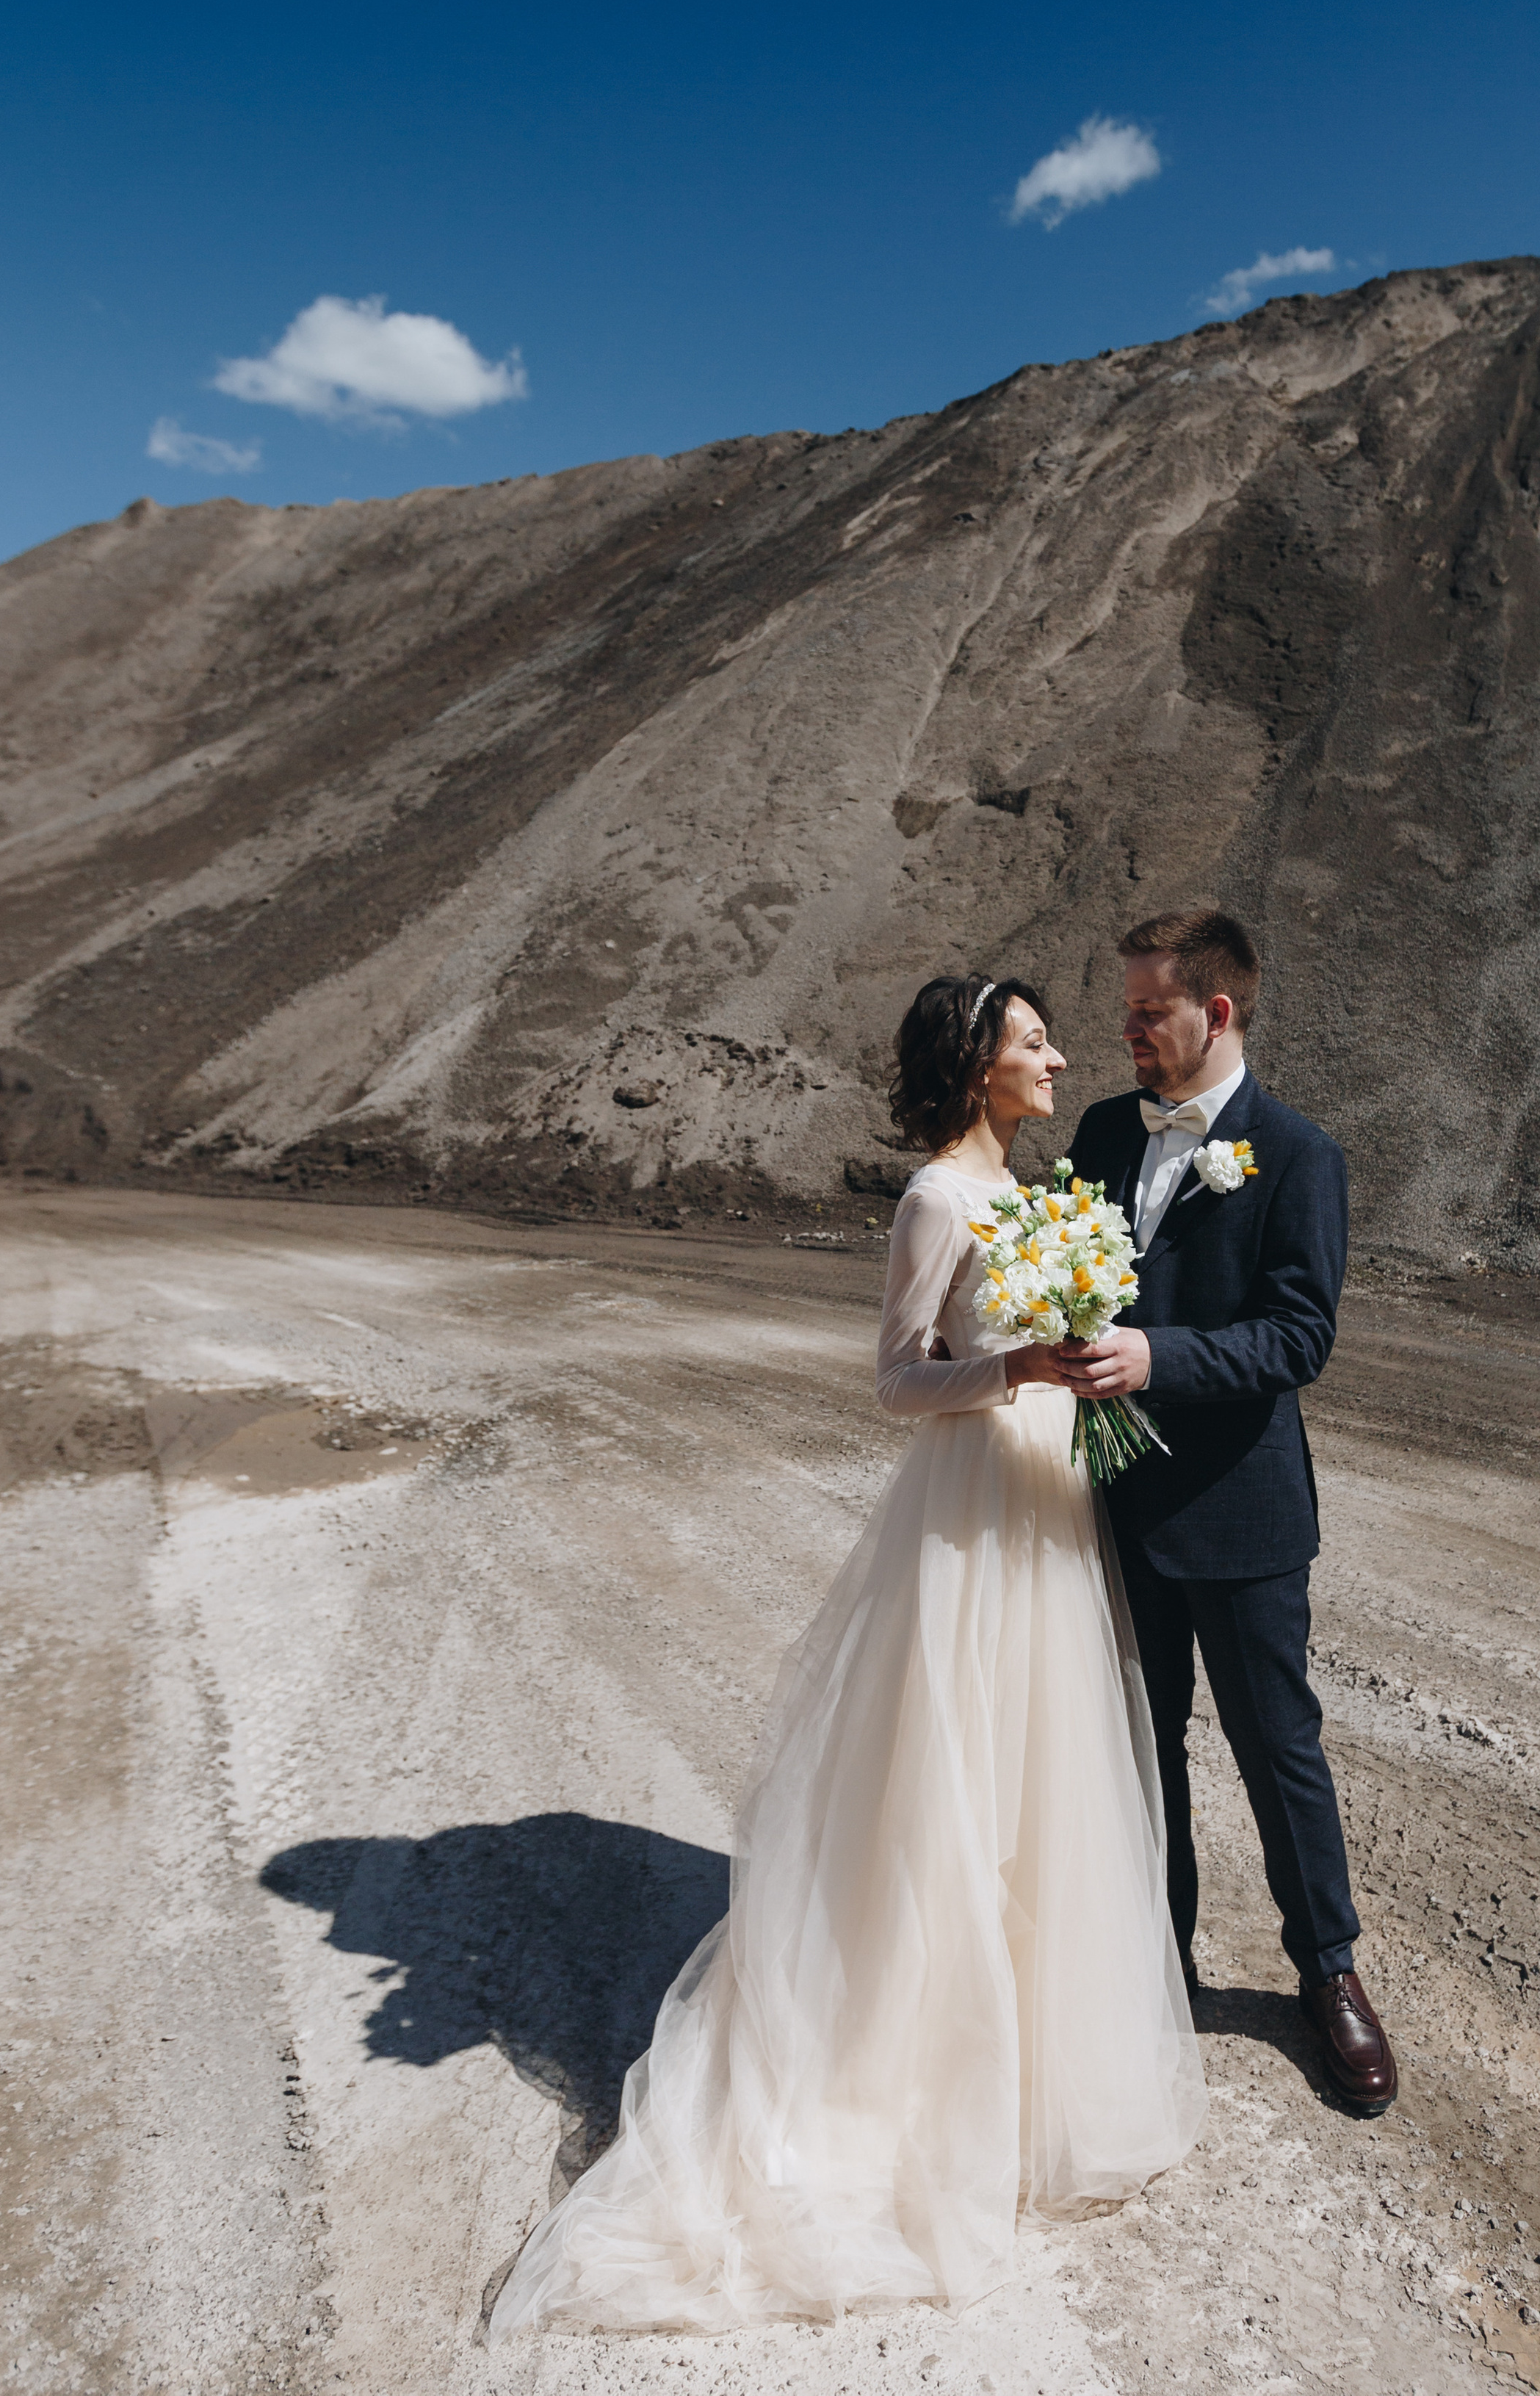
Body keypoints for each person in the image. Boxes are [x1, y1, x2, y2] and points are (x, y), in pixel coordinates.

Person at [488, 974, 1204, 2340]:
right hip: (972, 1502)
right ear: (978, 1067)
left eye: (1050, 1039)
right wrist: (1018, 1374)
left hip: (1050, 1498)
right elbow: (892, 1379)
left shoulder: (1039, 1189)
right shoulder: (937, 1198)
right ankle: (912, 2075)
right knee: (952, 1787)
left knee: (1048, 1785)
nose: (1057, 1058)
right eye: (1034, 1041)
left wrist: (1071, 1371)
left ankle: (1049, 2066)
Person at [1055, 907, 1397, 2118]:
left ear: (1219, 1011)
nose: (1131, 1030)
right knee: (1140, 1753)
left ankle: (1330, 1975)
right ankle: (1161, 1963)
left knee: (1277, 1751)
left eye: (1151, 1010)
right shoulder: (1100, 1132)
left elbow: (1301, 1335)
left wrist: (1159, 1358)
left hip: (1243, 1513)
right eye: (1129, 1010)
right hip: (1111, 1506)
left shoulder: (1299, 1155)